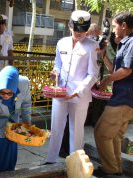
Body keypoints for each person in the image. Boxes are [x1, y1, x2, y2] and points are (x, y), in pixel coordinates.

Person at [94, 12, 133, 175]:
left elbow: (125, 71)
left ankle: (109, 168)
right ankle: (116, 167)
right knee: (115, 136)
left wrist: (105, 81)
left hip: (124, 100)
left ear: (124, 25)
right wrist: (103, 56)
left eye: (115, 25)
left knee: (101, 133)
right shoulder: (127, 43)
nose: (114, 29)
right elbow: (116, 70)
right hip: (130, 100)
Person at [44, 10, 100, 164]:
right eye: (76, 30)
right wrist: (55, 72)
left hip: (79, 96)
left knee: (76, 131)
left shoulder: (92, 46)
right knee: (56, 128)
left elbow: (93, 74)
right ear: (70, 26)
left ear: (87, 29)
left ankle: (75, 165)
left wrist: (77, 92)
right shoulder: (61, 42)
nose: (79, 33)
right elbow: (58, 64)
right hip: (60, 92)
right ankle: (50, 160)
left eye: (82, 31)